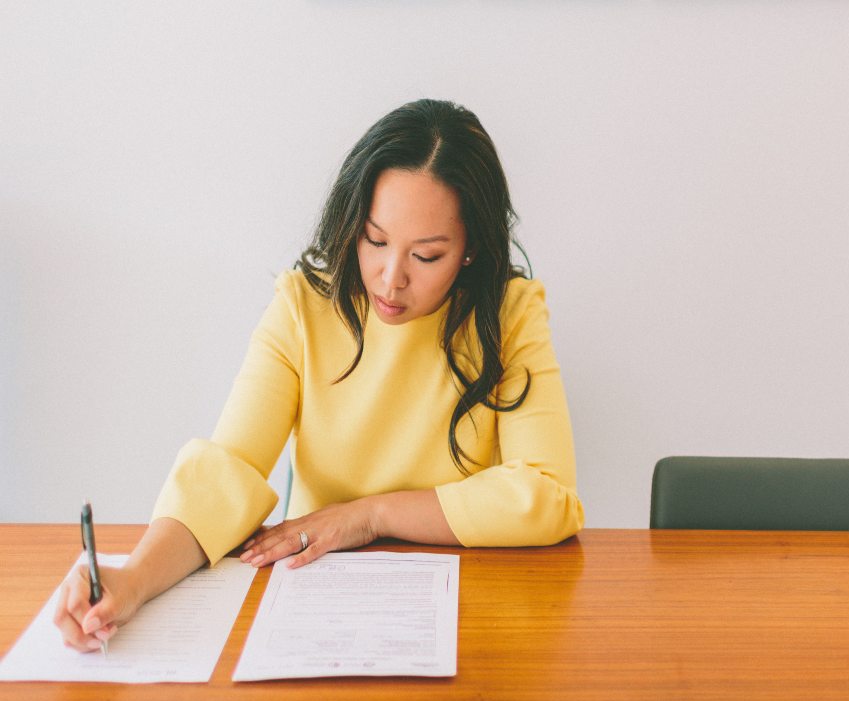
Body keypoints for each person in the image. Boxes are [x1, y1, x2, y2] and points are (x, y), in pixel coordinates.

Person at [54, 99, 583, 653]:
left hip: (468, 609)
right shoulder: (305, 305)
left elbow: (548, 494)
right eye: (374, 241)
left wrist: (371, 516)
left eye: (426, 256)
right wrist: (132, 581)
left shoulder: (509, 311)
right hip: (313, 605)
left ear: (470, 250)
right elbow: (227, 470)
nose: (390, 279)